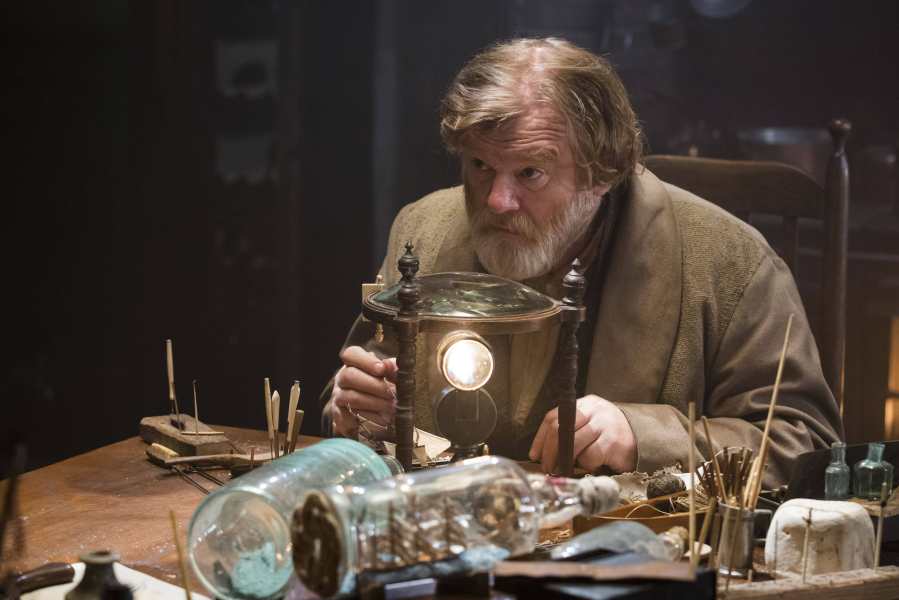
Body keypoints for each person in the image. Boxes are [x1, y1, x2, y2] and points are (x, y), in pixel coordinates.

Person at [321, 37, 843, 486]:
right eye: (480, 165)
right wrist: (359, 412)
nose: (497, 200)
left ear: (602, 173)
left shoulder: (732, 263)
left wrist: (642, 437)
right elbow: (353, 393)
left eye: (530, 173)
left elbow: (804, 443)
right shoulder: (422, 231)